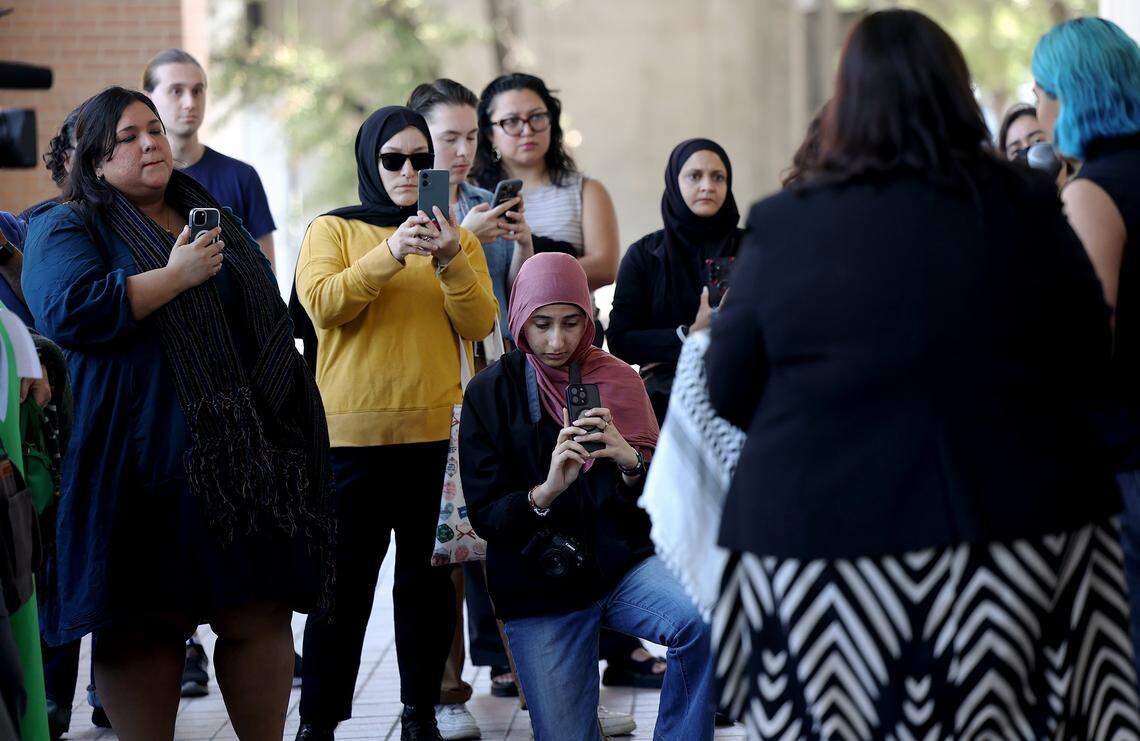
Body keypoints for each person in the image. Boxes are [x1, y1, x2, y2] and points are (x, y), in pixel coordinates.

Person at [706, 10, 1139, 738]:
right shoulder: (1028, 204)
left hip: (821, 547)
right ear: (958, 95)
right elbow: (1087, 362)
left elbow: (728, 384)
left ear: (847, 101)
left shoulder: (784, 222)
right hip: (1011, 540)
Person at [21, 86, 334, 741]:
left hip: (240, 466)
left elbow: (264, 321)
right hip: (131, 465)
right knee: (141, 625)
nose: (150, 142)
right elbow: (67, 309)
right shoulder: (65, 224)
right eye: (128, 136)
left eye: (154, 129)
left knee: (258, 613)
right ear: (94, 162)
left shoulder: (211, 214)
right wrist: (175, 275)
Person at [294, 105, 497, 741]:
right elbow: (324, 305)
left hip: (435, 438)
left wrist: (448, 260)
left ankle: (419, 714)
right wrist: (389, 252)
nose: (408, 171)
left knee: (427, 590)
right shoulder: (332, 228)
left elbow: (480, 323)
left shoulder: (456, 238)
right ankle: (319, 722)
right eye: (393, 160)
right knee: (341, 593)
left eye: (420, 160)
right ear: (370, 163)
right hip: (349, 441)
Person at [459, 251, 713, 740]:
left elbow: (660, 508)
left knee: (703, 618)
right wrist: (547, 490)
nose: (557, 341)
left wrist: (630, 463)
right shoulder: (492, 393)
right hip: (541, 585)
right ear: (518, 321)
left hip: (618, 566)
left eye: (571, 323)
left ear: (588, 319)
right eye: (542, 324)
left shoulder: (618, 379)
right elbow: (488, 517)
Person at [473, 73, 663, 684]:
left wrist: (545, 270)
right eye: (509, 120)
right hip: (504, 353)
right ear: (490, 131)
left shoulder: (581, 188)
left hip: (578, 341)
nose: (525, 130)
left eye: (536, 117)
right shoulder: (471, 200)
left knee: (604, 487)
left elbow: (603, 263)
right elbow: (489, 515)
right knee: (519, 479)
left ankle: (618, 634)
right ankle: (513, 650)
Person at [1032, 17, 1140, 680]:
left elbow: (1078, 345)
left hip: (1122, 462)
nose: (1038, 108)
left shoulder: (1094, 190)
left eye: (1041, 90)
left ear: (1071, 95)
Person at [607, 138, 742, 423]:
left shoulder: (753, 248)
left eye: (718, 177)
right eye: (695, 176)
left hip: (742, 391)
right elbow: (620, 339)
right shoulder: (644, 255)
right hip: (665, 402)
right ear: (674, 181)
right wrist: (688, 334)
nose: (707, 186)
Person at [143, 49, 277, 270]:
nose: (190, 103)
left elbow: (267, 271)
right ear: (148, 99)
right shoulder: (139, 181)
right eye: (176, 91)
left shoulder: (241, 176)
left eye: (197, 91)